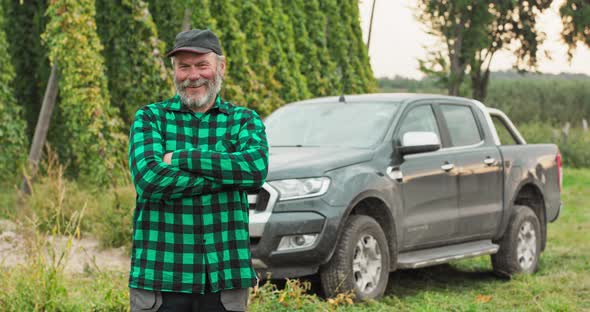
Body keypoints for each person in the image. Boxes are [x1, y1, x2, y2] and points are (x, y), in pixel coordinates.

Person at [127, 28, 269, 312]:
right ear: (174, 72)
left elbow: (254, 170)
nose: (193, 75)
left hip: (225, 276)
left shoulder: (243, 120)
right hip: (160, 275)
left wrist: (179, 158)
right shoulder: (150, 118)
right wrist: (227, 175)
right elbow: (149, 181)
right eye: (184, 67)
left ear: (221, 67)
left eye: (202, 65)